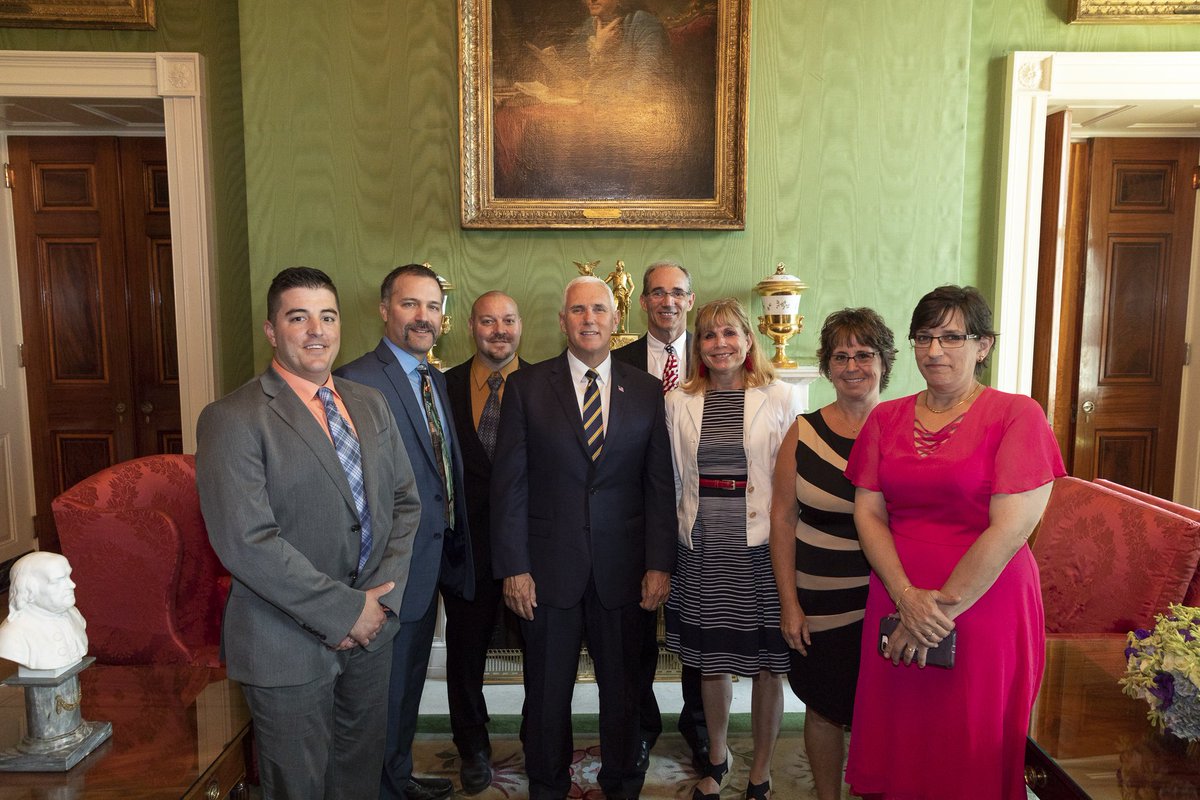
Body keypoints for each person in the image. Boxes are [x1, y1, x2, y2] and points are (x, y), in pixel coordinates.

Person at [196, 267, 419, 800]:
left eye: (328, 317)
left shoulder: (371, 404)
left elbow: (405, 505)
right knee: (299, 788)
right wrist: (344, 612)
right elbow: (247, 542)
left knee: (358, 783)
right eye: (299, 318)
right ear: (272, 331)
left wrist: (378, 607)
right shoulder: (232, 418)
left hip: (372, 636)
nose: (317, 330)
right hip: (285, 643)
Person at [844, 285, 1065, 799]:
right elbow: (868, 513)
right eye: (923, 337)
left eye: (951, 338)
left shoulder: (1017, 415)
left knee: (968, 746)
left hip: (984, 605)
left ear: (983, 345)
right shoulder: (885, 418)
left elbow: (1010, 529)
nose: (934, 350)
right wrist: (906, 599)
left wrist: (934, 613)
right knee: (902, 742)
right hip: (895, 595)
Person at [491, 276, 676, 800]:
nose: (589, 319)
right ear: (562, 320)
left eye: (598, 309)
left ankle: (623, 784)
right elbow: (510, 486)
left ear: (616, 319)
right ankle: (548, 786)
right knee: (546, 696)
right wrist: (514, 567)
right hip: (547, 572)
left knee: (625, 692)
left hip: (625, 571)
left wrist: (659, 563)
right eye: (577, 310)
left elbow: (659, 484)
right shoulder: (526, 387)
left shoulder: (645, 390)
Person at [335, 263, 475, 800]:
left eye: (433, 306)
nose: (423, 316)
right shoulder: (354, 380)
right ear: (384, 309)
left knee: (407, 684)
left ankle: (395, 776)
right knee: (381, 693)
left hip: (431, 558)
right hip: (385, 568)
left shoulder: (433, 379)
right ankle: (378, 787)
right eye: (410, 304)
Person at [664, 298, 804, 800]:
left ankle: (760, 771)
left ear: (749, 340)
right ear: (698, 346)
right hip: (703, 546)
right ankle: (718, 758)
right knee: (711, 660)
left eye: (729, 333)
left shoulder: (782, 396)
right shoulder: (678, 401)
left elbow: (793, 482)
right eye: (708, 335)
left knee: (769, 666)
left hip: (762, 548)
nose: (719, 343)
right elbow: (674, 477)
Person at [768, 308, 896, 800]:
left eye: (864, 354)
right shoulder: (802, 433)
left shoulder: (904, 429)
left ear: (884, 361)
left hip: (890, 600)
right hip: (819, 603)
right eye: (840, 356)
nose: (852, 366)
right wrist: (789, 604)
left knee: (884, 712)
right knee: (823, 708)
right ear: (826, 366)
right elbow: (783, 520)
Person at [611, 260, 708, 771]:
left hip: (700, 519)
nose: (668, 301)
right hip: (634, 521)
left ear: (690, 300)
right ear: (643, 301)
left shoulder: (717, 355)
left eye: (678, 292)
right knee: (636, 635)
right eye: (657, 292)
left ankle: (700, 727)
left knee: (697, 630)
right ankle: (642, 727)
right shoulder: (615, 361)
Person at [441, 291, 528, 795]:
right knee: (465, 654)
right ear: (471, 326)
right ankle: (472, 745)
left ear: (521, 326)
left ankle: (538, 737)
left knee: (541, 654)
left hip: (530, 552)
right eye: (488, 321)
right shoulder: (443, 387)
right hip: (466, 550)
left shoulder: (545, 383)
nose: (499, 330)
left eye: (508, 320)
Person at [0, 552, 87, 671]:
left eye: (68, 576)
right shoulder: (13, 634)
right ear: (30, 590)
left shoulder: (75, 615)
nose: (72, 585)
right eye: (57, 581)